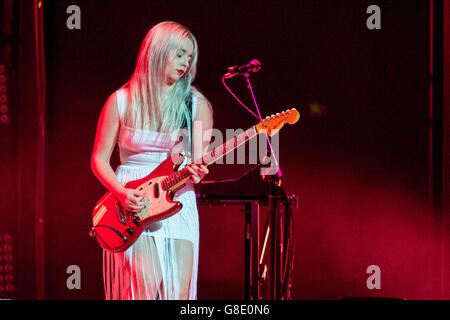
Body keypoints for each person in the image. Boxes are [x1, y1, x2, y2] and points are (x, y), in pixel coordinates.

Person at [91, 21, 213, 300]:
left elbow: (195, 161)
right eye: (180, 54)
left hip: (176, 199)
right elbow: (98, 159)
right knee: (141, 288)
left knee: (177, 295)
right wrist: (121, 193)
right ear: (157, 52)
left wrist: (198, 171)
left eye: (190, 57)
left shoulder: (196, 105)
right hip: (132, 200)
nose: (185, 63)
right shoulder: (120, 101)